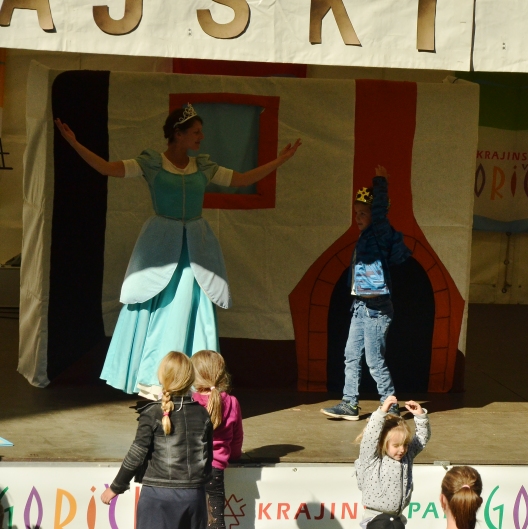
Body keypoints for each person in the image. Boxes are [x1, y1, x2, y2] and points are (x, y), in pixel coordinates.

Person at [55, 106, 301, 399]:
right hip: (159, 244)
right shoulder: (151, 163)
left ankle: (193, 379)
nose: (201, 137)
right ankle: (152, 378)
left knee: (189, 304)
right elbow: (107, 168)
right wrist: (74, 143)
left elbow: (244, 179)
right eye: (196, 132)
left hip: (195, 247)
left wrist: (280, 160)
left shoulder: (203, 166)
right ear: (178, 134)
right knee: (151, 304)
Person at [321, 165, 411, 420]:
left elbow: (380, 213)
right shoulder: (364, 237)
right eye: (356, 213)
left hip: (376, 309)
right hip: (360, 306)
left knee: (374, 360)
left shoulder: (380, 233)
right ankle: (349, 403)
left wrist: (380, 182)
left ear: (375, 215)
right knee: (351, 356)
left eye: (363, 213)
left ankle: (390, 405)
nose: (358, 218)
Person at [101, 352, 212, 529]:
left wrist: (116, 486)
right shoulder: (202, 414)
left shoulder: (151, 413)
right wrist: (204, 496)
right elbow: (207, 459)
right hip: (194, 497)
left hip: (158, 497)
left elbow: (137, 453)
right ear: (190, 377)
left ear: (162, 377)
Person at [353, 396, 430, 528]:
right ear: (382, 443)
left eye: (405, 444)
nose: (402, 449)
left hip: (396, 518)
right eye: (396, 445)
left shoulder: (406, 457)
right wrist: (381, 412)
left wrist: (420, 416)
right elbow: (370, 437)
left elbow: (422, 438)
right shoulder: (372, 459)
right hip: (375, 519)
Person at [191, 350, 243, 529]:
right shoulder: (232, 402)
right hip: (215, 471)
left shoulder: (189, 401)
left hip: (189, 468)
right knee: (216, 522)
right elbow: (237, 438)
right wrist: (234, 456)